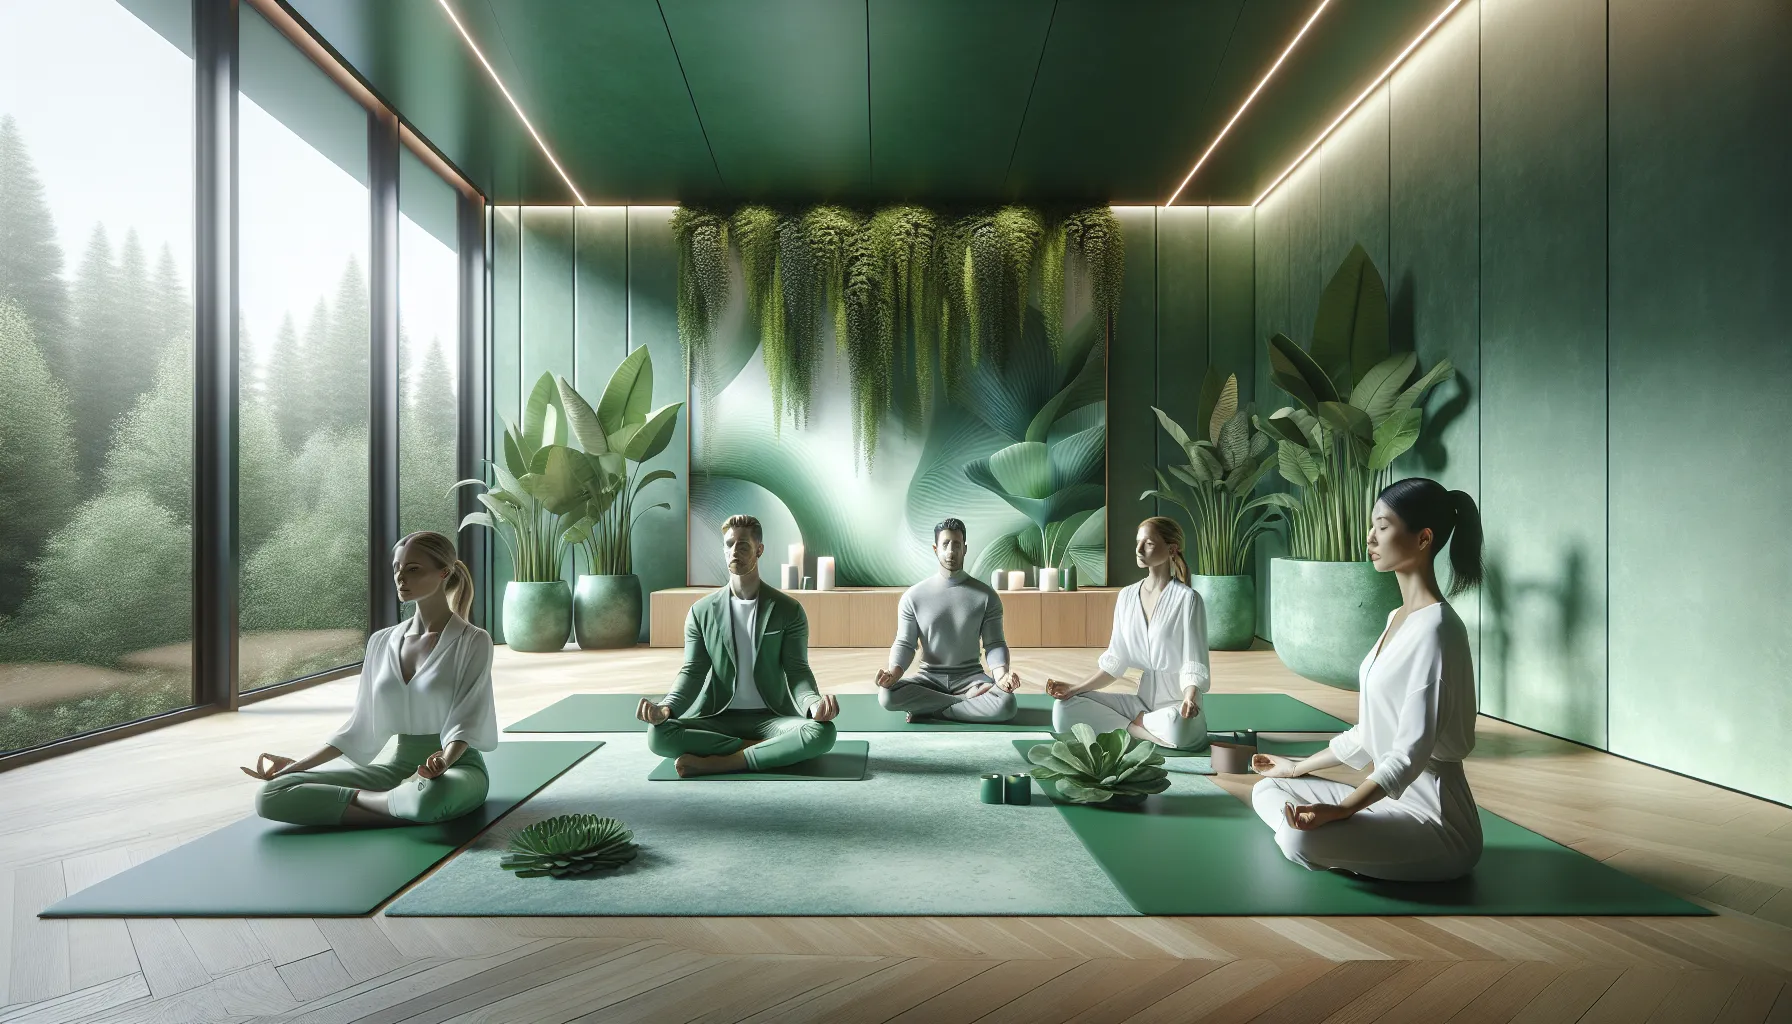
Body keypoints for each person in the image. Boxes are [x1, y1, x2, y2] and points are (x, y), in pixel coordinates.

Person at [1249, 477, 1485, 882]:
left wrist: (1343, 810)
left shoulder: (1438, 630)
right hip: (1384, 803)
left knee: (1298, 841)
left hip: (1435, 822)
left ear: (1423, 538)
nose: (1369, 537)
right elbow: (1370, 732)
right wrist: (1296, 768)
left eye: (1382, 525)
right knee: (1266, 790)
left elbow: (1408, 755)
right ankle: (1351, 839)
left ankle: (1341, 837)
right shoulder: (1396, 618)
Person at [243, 530, 498, 826]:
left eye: (414, 569)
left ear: (444, 572)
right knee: (271, 793)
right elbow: (360, 724)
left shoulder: (473, 641)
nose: (401, 578)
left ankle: (384, 803)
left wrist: (443, 761)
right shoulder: (381, 642)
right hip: (397, 771)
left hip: (456, 768)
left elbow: (467, 717)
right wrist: (298, 767)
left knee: (431, 796)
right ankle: (394, 803)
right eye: (397, 569)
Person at [635, 514, 839, 777]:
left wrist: (814, 706)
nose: (734, 551)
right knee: (658, 736)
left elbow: (798, 671)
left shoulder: (789, 610)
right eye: (729, 544)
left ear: (759, 550)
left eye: (743, 545)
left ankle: (723, 762)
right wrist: (666, 707)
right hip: (716, 719)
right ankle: (762, 751)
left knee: (822, 733)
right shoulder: (701, 611)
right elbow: (693, 671)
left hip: (772, 718)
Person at [1045, 516, 1210, 750]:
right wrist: (1074, 689)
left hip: (1177, 705)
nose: (1139, 549)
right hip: (1140, 704)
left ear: (1172, 549)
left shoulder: (1188, 599)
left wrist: (1189, 698)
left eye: (1149, 543)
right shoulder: (1126, 596)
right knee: (1064, 709)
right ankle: (1139, 729)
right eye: (1138, 542)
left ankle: (1130, 729)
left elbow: (1194, 662)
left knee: (1176, 725)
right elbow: (1115, 662)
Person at [874, 518, 1021, 723]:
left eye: (957, 544)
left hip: (972, 680)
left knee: (1007, 704)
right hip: (928, 679)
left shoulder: (987, 596)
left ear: (965, 548)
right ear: (936, 549)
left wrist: (1002, 677)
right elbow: (905, 644)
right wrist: (893, 673)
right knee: (886, 695)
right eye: (945, 544)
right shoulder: (913, 596)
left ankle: (932, 710)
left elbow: (994, 644)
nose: (951, 551)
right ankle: (960, 704)